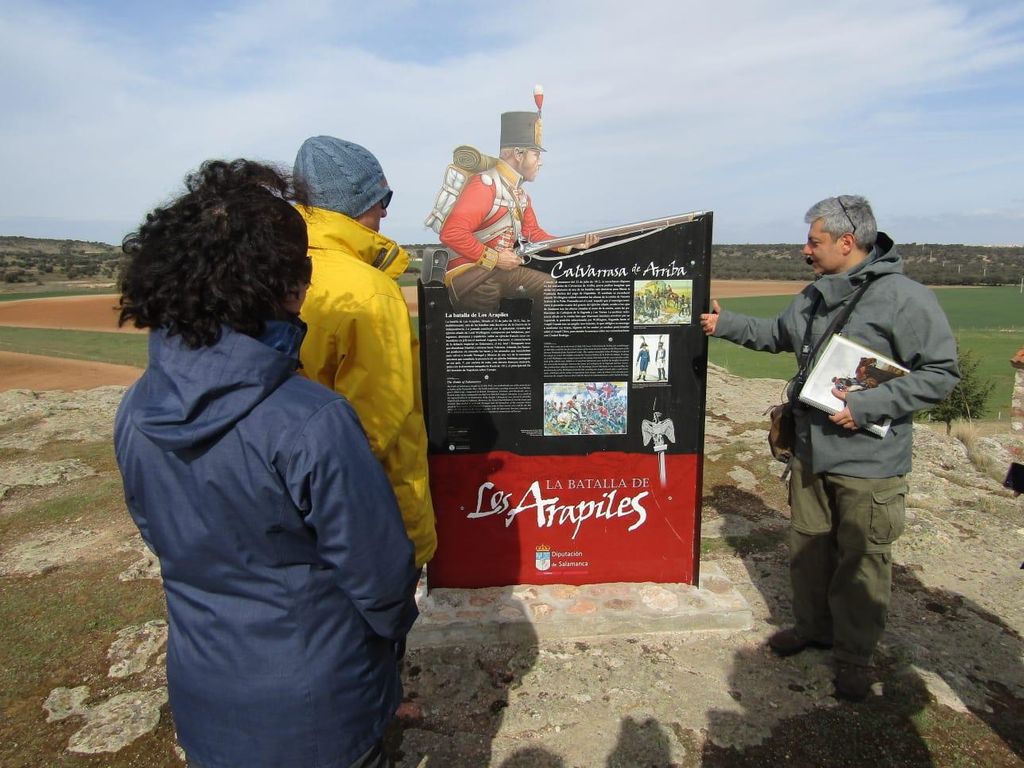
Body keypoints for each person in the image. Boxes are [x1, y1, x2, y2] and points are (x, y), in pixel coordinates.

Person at [114, 159, 418, 767]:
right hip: (321, 709)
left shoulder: (136, 407)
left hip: (205, 697)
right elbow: (382, 582)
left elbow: (162, 534)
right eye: (301, 269)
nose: (307, 285)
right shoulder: (312, 420)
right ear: (276, 284)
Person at [700, 195, 959, 701]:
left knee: (861, 559)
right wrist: (723, 324)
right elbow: (777, 333)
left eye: (814, 241)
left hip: (869, 460)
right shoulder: (815, 294)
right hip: (812, 452)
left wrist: (870, 405)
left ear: (847, 242)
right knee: (809, 549)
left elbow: (941, 374)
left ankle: (854, 657)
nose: (805, 250)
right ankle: (813, 630)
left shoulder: (905, 298)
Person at [293, 136, 436, 572]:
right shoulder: (369, 293)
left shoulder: (277, 267)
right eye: (381, 197)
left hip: (298, 515)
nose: (387, 211)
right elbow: (376, 425)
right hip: (371, 519)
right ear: (353, 204)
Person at [438, 107, 596, 313]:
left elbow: (533, 233)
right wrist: (495, 258)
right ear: (518, 154)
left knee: (547, 286)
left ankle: (540, 344)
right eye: (536, 154)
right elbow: (451, 233)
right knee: (486, 306)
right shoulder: (485, 186)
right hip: (470, 273)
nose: (540, 162)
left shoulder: (519, 195)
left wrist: (571, 243)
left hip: (496, 271)